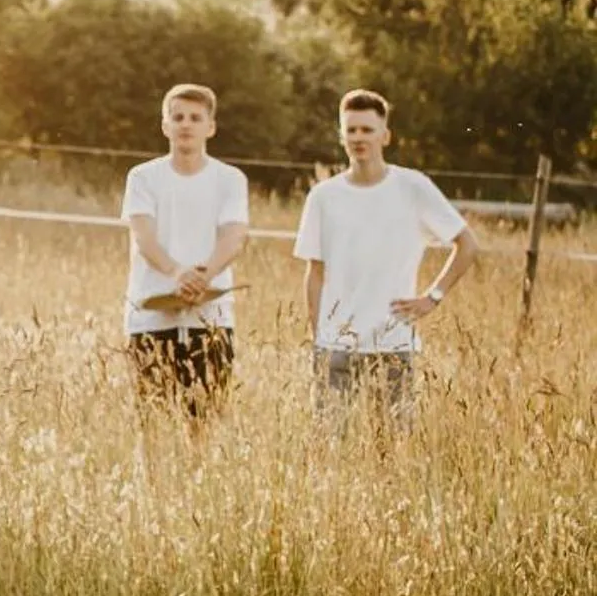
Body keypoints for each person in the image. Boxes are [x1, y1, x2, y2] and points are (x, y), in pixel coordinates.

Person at [293, 89, 478, 416]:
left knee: (392, 452)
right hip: (336, 348)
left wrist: (432, 297)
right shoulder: (323, 196)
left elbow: (467, 244)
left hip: (393, 345)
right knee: (330, 451)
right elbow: (316, 273)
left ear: (385, 136)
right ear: (341, 136)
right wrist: (318, 339)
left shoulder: (412, 188)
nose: (358, 137)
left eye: (367, 129)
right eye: (351, 130)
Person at [121, 83, 250, 415]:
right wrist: (177, 273)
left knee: (204, 423)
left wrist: (203, 276)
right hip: (151, 317)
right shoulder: (142, 177)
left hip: (210, 319)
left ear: (211, 127)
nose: (186, 124)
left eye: (195, 117)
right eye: (177, 117)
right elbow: (144, 237)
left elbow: (234, 237)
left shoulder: (230, 179)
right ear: (165, 126)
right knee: (153, 423)